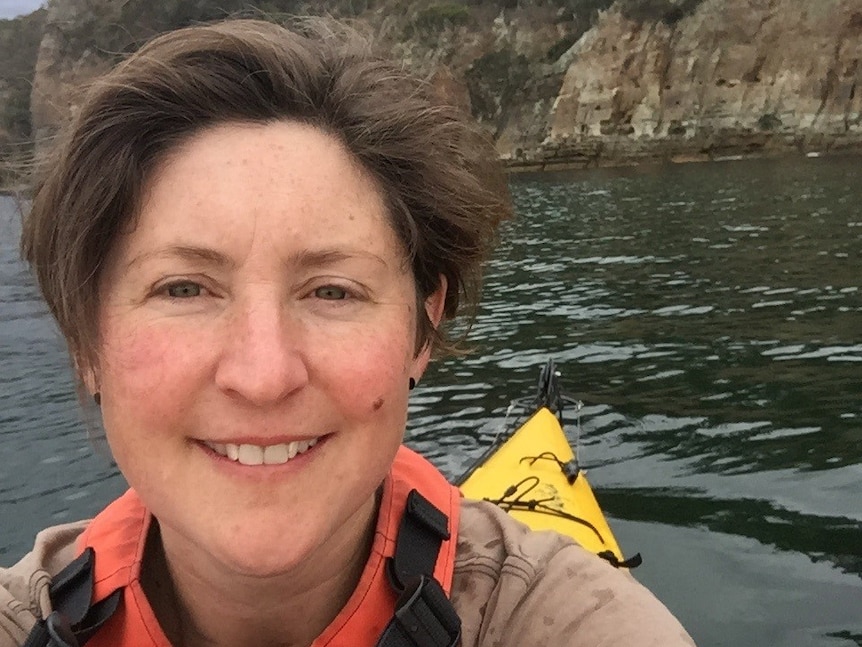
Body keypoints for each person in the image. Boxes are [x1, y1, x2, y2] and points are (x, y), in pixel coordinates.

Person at [0, 17, 695, 647]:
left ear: (422, 328)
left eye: (332, 290)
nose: (265, 374)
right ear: (86, 341)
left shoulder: (567, 622)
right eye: (184, 288)